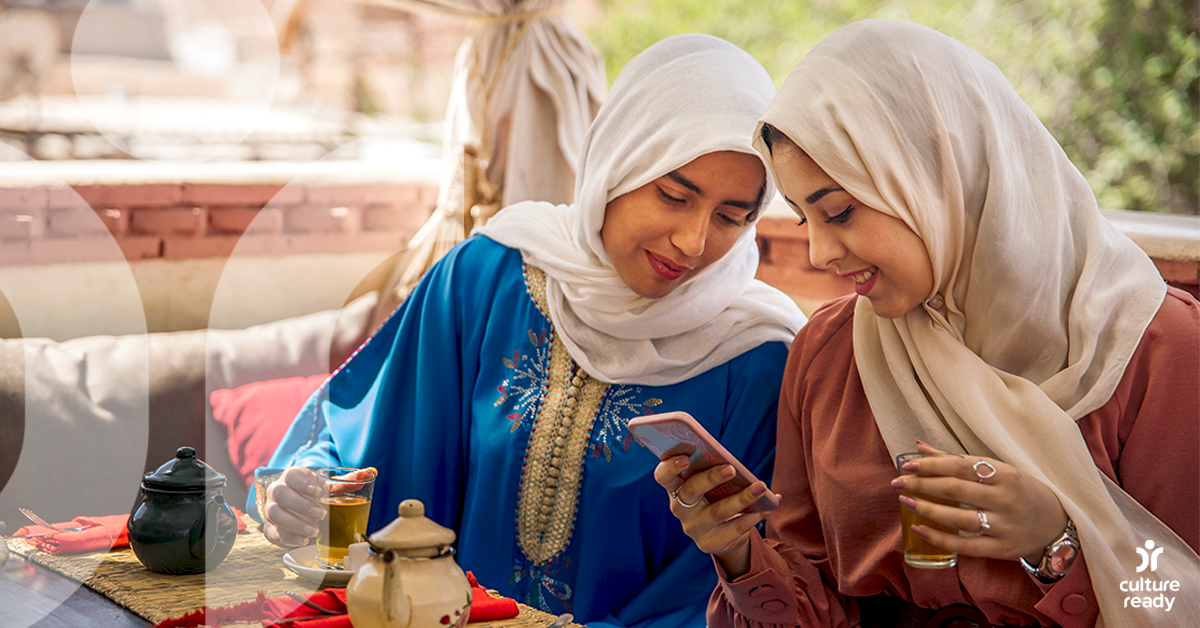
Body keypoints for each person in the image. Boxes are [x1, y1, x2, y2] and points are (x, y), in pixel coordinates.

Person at [654, 19, 1199, 628]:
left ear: (938, 178)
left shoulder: (1154, 350)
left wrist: (1056, 543)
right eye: (806, 219)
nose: (820, 254)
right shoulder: (831, 353)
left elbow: (1177, 596)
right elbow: (815, 607)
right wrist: (735, 550)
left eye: (840, 211)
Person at [254, 34, 808, 628]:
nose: (695, 243)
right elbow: (358, 438)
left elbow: (738, 582)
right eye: (674, 196)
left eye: (733, 217)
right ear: (618, 162)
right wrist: (307, 493)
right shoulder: (484, 278)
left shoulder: (759, 357)